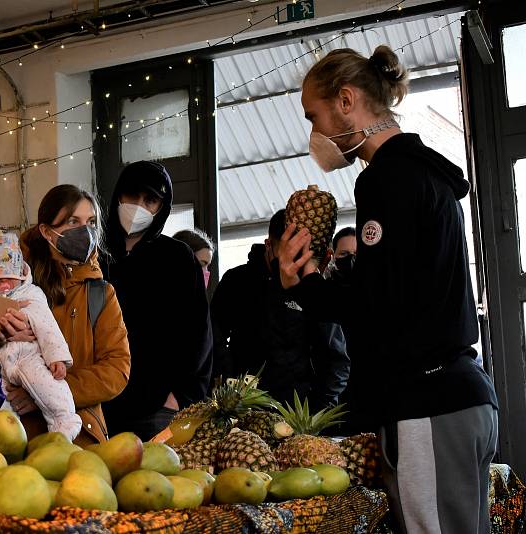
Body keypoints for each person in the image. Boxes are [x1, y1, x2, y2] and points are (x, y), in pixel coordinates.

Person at [279, 45, 498, 533]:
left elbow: (378, 305)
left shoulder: (388, 179)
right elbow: (401, 286)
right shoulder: (425, 173)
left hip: (429, 401)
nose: (313, 133)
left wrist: (307, 282)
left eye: (313, 116)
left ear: (346, 100)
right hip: (463, 395)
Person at [101, 161, 211, 441]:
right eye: (132, 196)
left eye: (150, 200)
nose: (139, 206)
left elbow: (197, 332)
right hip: (99, 402)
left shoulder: (177, 257)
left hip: (157, 408)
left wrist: (178, 397)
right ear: (118, 196)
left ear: (162, 207)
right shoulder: (96, 255)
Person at [13, 184, 131, 446]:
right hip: (19, 435)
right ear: (46, 231)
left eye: (91, 222)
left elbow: (116, 369)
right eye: (73, 222)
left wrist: (46, 394)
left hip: (81, 438)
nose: (85, 231)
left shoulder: (101, 294)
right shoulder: (16, 285)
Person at [210, 209, 349, 410]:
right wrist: (230, 390)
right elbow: (214, 341)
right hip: (244, 409)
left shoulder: (313, 289)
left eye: (299, 255)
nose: (291, 264)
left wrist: (318, 409)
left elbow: (336, 359)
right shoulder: (237, 282)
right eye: (285, 254)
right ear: (269, 246)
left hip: (300, 413)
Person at [0, 230, 82, 441]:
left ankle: (65, 420)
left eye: (9, 278)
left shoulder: (30, 293)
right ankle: (6, 441)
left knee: (50, 388)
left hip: (27, 357)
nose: (4, 285)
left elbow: (47, 325)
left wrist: (56, 356)